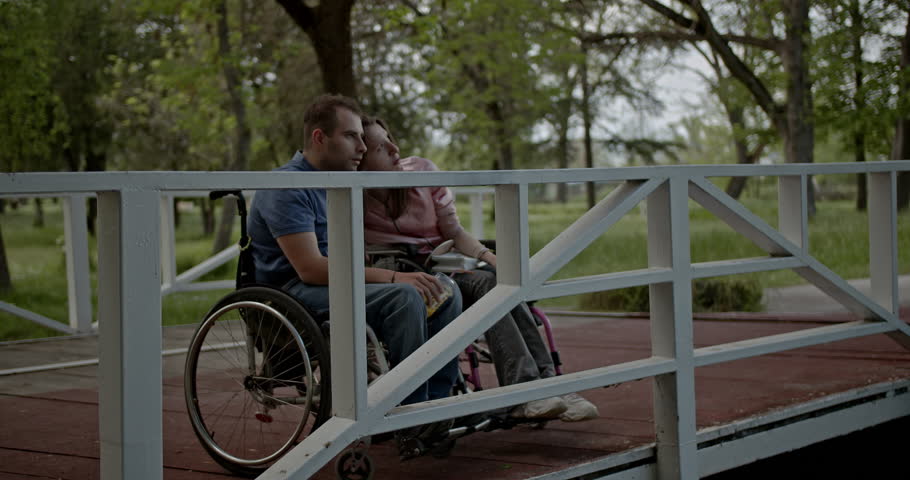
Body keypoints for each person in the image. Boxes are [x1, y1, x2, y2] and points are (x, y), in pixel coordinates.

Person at [358, 116, 599, 422]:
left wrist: (492, 257)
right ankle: (527, 390)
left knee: (499, 277)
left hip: (448, 265)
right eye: (381, 147)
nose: (394, 148)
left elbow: (455, 233)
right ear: (362, 160)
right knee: (487, 285)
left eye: (390, 137)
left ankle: (547, 386)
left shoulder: (421, 172)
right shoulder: (352, 196)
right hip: (408, 276)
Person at [246, 95, 461, 412]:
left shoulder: (339, 185)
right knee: (405, 296)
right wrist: (393, 277)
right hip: (293, 293)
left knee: (443, 290)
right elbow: (311, 269)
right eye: (351, 136)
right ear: (320, 137)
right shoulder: (288, 186)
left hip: (338, 284)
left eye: (363, 138)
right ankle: (409, 410)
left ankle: (436, 407)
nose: (361, 147)